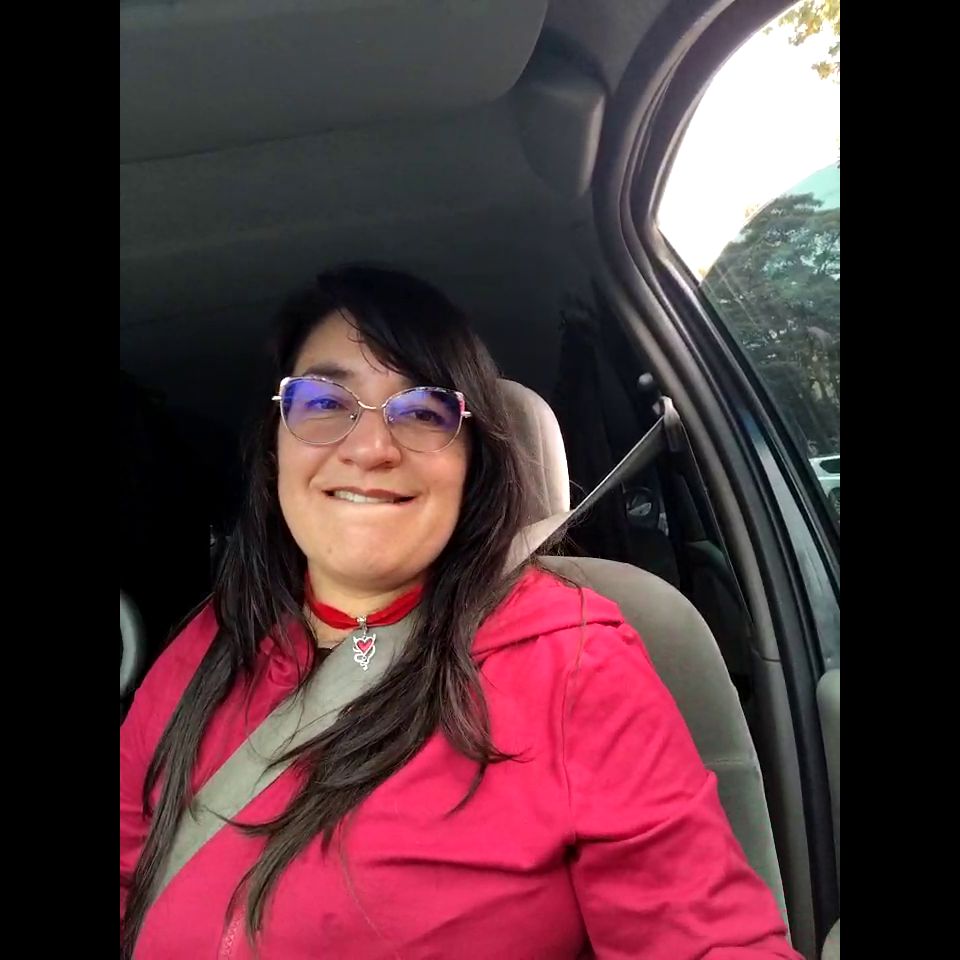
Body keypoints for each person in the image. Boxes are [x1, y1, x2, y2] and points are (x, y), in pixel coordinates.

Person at [120, 266, 801, 958]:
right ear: (275, 445)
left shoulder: (573, 661)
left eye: (422, 412)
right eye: (324, 402)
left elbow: (707, 940)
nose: (370, 448)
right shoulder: (208, 647)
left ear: (472, 461)